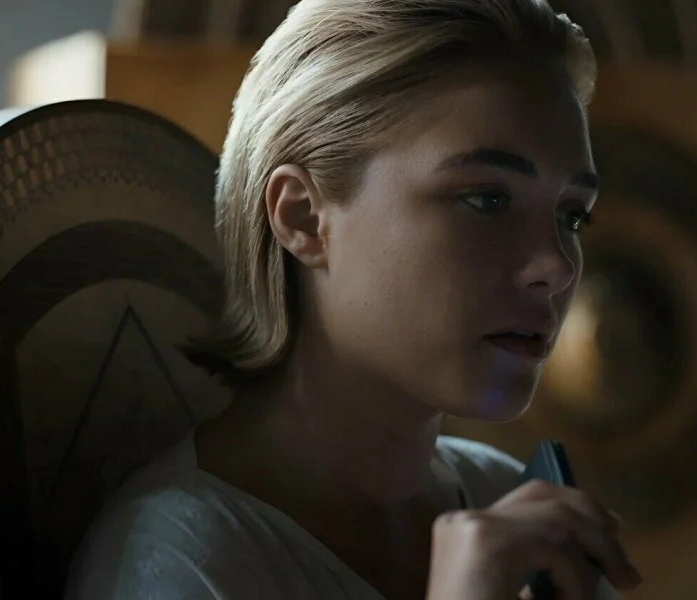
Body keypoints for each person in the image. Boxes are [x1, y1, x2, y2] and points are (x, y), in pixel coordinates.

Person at [65, 0, 644, 598]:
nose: (556, 266)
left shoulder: (508, 500)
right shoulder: (180, 559)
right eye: (487, 200)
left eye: (572, 216)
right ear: (303, 217)